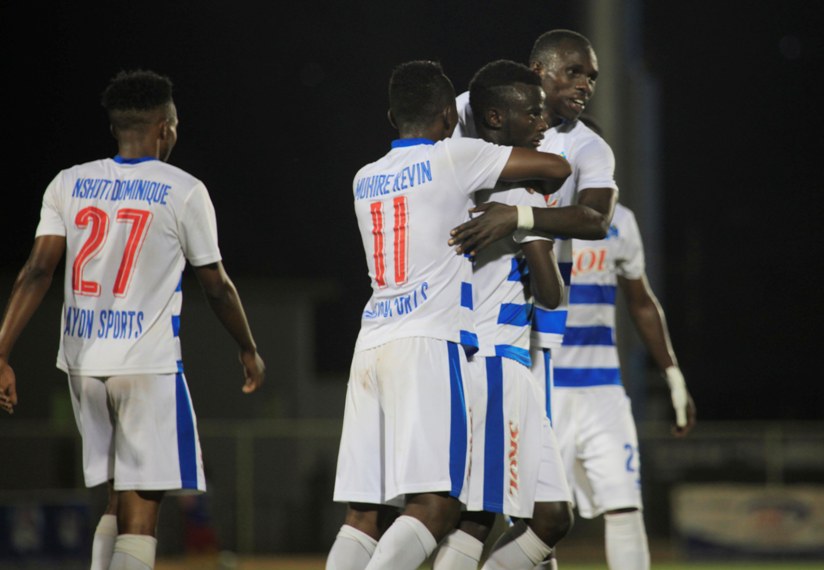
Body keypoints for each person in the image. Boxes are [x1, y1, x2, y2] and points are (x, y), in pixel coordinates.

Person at [0, 69, 265, 570]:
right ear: (165, 127)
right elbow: (217, 286)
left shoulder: (67, 182)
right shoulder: (184, 189)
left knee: (117, 500)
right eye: (176, 124)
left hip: (83, 366)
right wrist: (248, 348)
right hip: (146, 365)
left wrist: (1, 352)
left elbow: (36, 271)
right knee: (141, 516)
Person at [326, 59, 571, 570]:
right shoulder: (457, 159)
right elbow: (557, 169)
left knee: (365, 513)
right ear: (447, 116)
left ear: (392, 116)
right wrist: (523, 216)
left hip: (371, 340)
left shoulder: (363, 177)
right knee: (444, 508)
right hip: (434, 346)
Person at [433, 60, 573, 570]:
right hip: (496, 361)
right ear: (495, 118)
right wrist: (535, 223)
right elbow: (551, 295)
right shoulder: (517, 191)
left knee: (547, 517)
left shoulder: (453, 181)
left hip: (482, 357)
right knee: (479, 517)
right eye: (533, 114)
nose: (544, 123)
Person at [551, 199, 696, 570]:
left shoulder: (621, 220)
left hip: (604, 389)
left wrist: (674, 376)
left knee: (625, 505)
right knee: (539, 519)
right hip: (543, 386)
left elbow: (641, 302)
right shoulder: (537, 208)